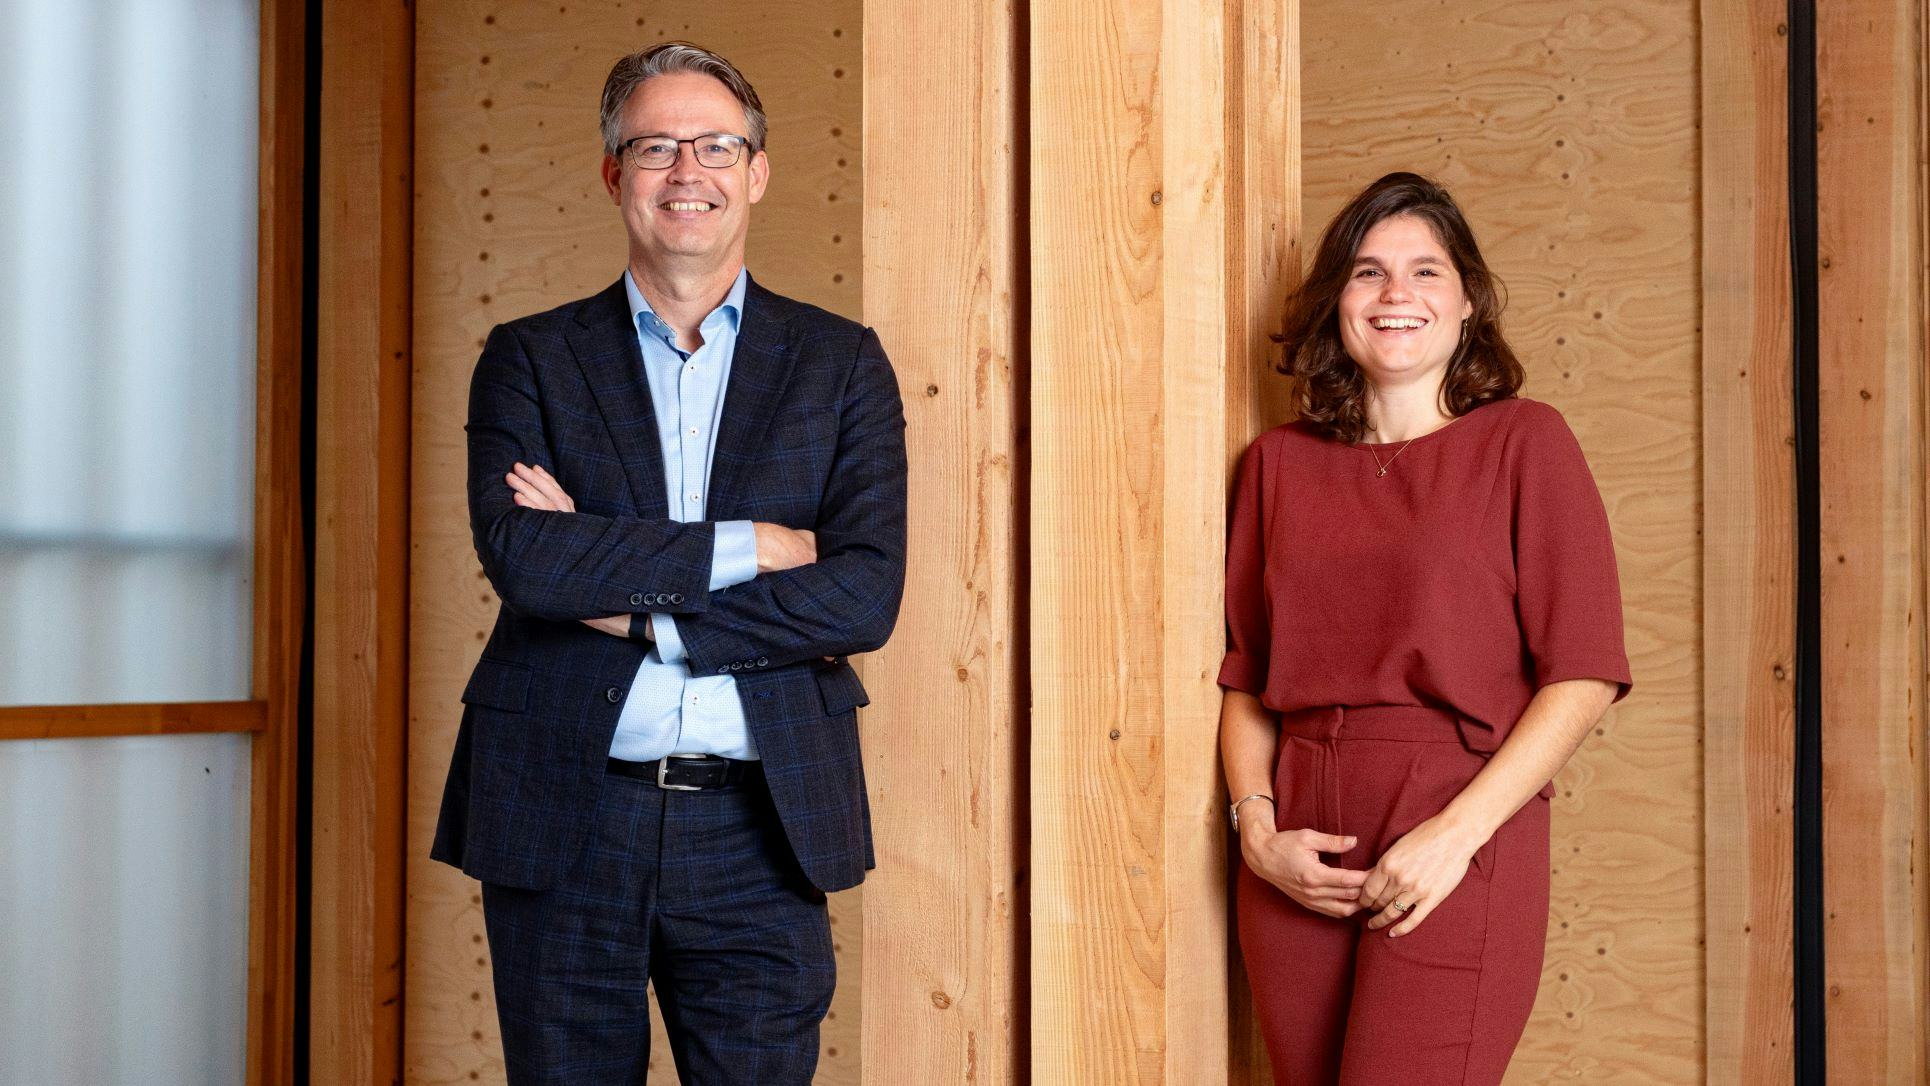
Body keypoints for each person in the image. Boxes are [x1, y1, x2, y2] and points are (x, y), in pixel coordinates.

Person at [429, 41, 907, 1085]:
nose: (687, 172)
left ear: (758, 172)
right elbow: (530, 564)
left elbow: (863, 594)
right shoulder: (531, 357)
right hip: (564, 808)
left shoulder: (839, 364)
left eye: (716, 146)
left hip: (761, 819)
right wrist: (761, 549)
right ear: (614, 176)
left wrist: (647, 613)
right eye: (654, 148)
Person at [1219, 171, 1631, 1084]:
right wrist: (1256, 831)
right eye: (1368, 273)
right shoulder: (1275, 466)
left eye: (1426, 272)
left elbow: (1585, 674)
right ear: (1338, 306)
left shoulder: (1526, 443)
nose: (1396, 294)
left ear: (1470, 300)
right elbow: (1246, 675)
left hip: (1456, 811)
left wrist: (1456, 835)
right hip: (1299, 838)